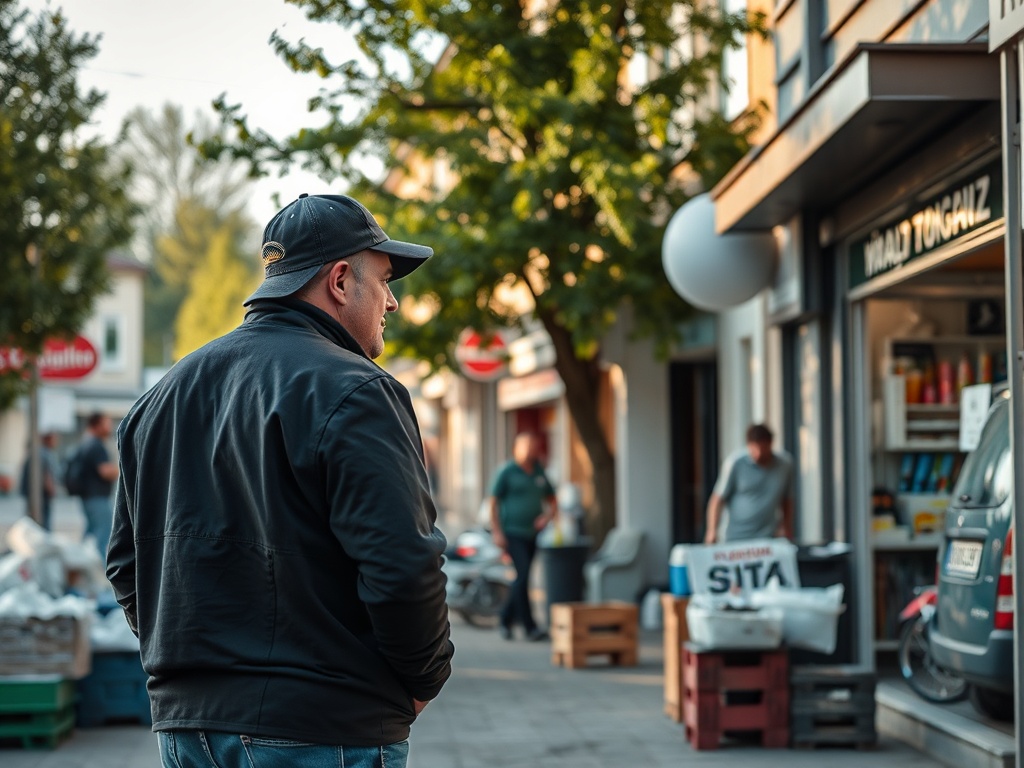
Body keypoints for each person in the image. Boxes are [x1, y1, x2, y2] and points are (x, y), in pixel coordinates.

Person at [106, 193, 454, 768]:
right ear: (339, 281)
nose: (392, 301)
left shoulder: (161, 397)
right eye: (385, 281)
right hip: (321, 726)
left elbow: (126, 564)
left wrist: (192, 672)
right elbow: (403, 566)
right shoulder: (358, 390)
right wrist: (422, 682)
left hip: (188, 729)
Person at [489, 431, 557, 641]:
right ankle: (527, 625)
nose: (530, 451)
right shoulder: (507, 472)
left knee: (522, 578)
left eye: (533, 446)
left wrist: (547, 517)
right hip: (512, 532)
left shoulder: (538, 471)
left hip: (533, 534)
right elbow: (493, 502)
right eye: (526, 447)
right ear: (516, 449)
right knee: (524, 575)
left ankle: (508, 620)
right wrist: (497, 532)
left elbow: (552, 499)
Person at [704, 423, 794, 544]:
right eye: (755, 449)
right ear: (748, 445)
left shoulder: (785, 465)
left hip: (767, 538)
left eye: (763, 448)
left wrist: (786, 527)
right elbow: (718, 499)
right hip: (735, 537)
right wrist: (712, 531)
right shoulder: (735, 463)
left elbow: (787, 499)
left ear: (770, 444)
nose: (759, 454)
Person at [79, 413, 119, 555]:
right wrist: (123, 470)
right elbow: (105, 471)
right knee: (102, 537)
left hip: (90, 497)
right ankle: (100, 566)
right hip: (97, 498)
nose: (109, 427)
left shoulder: (86, 442)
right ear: (97, 425)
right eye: (106, 424)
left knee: (91, 534)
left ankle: (81, 562)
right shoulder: (96, 445)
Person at [19, 431, 59, 530]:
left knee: (33, 522)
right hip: (42, 496)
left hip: (34, 495)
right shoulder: (43, 454)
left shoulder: (35, 452)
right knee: (42, 524)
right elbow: (46, 475)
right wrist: (52, 490)